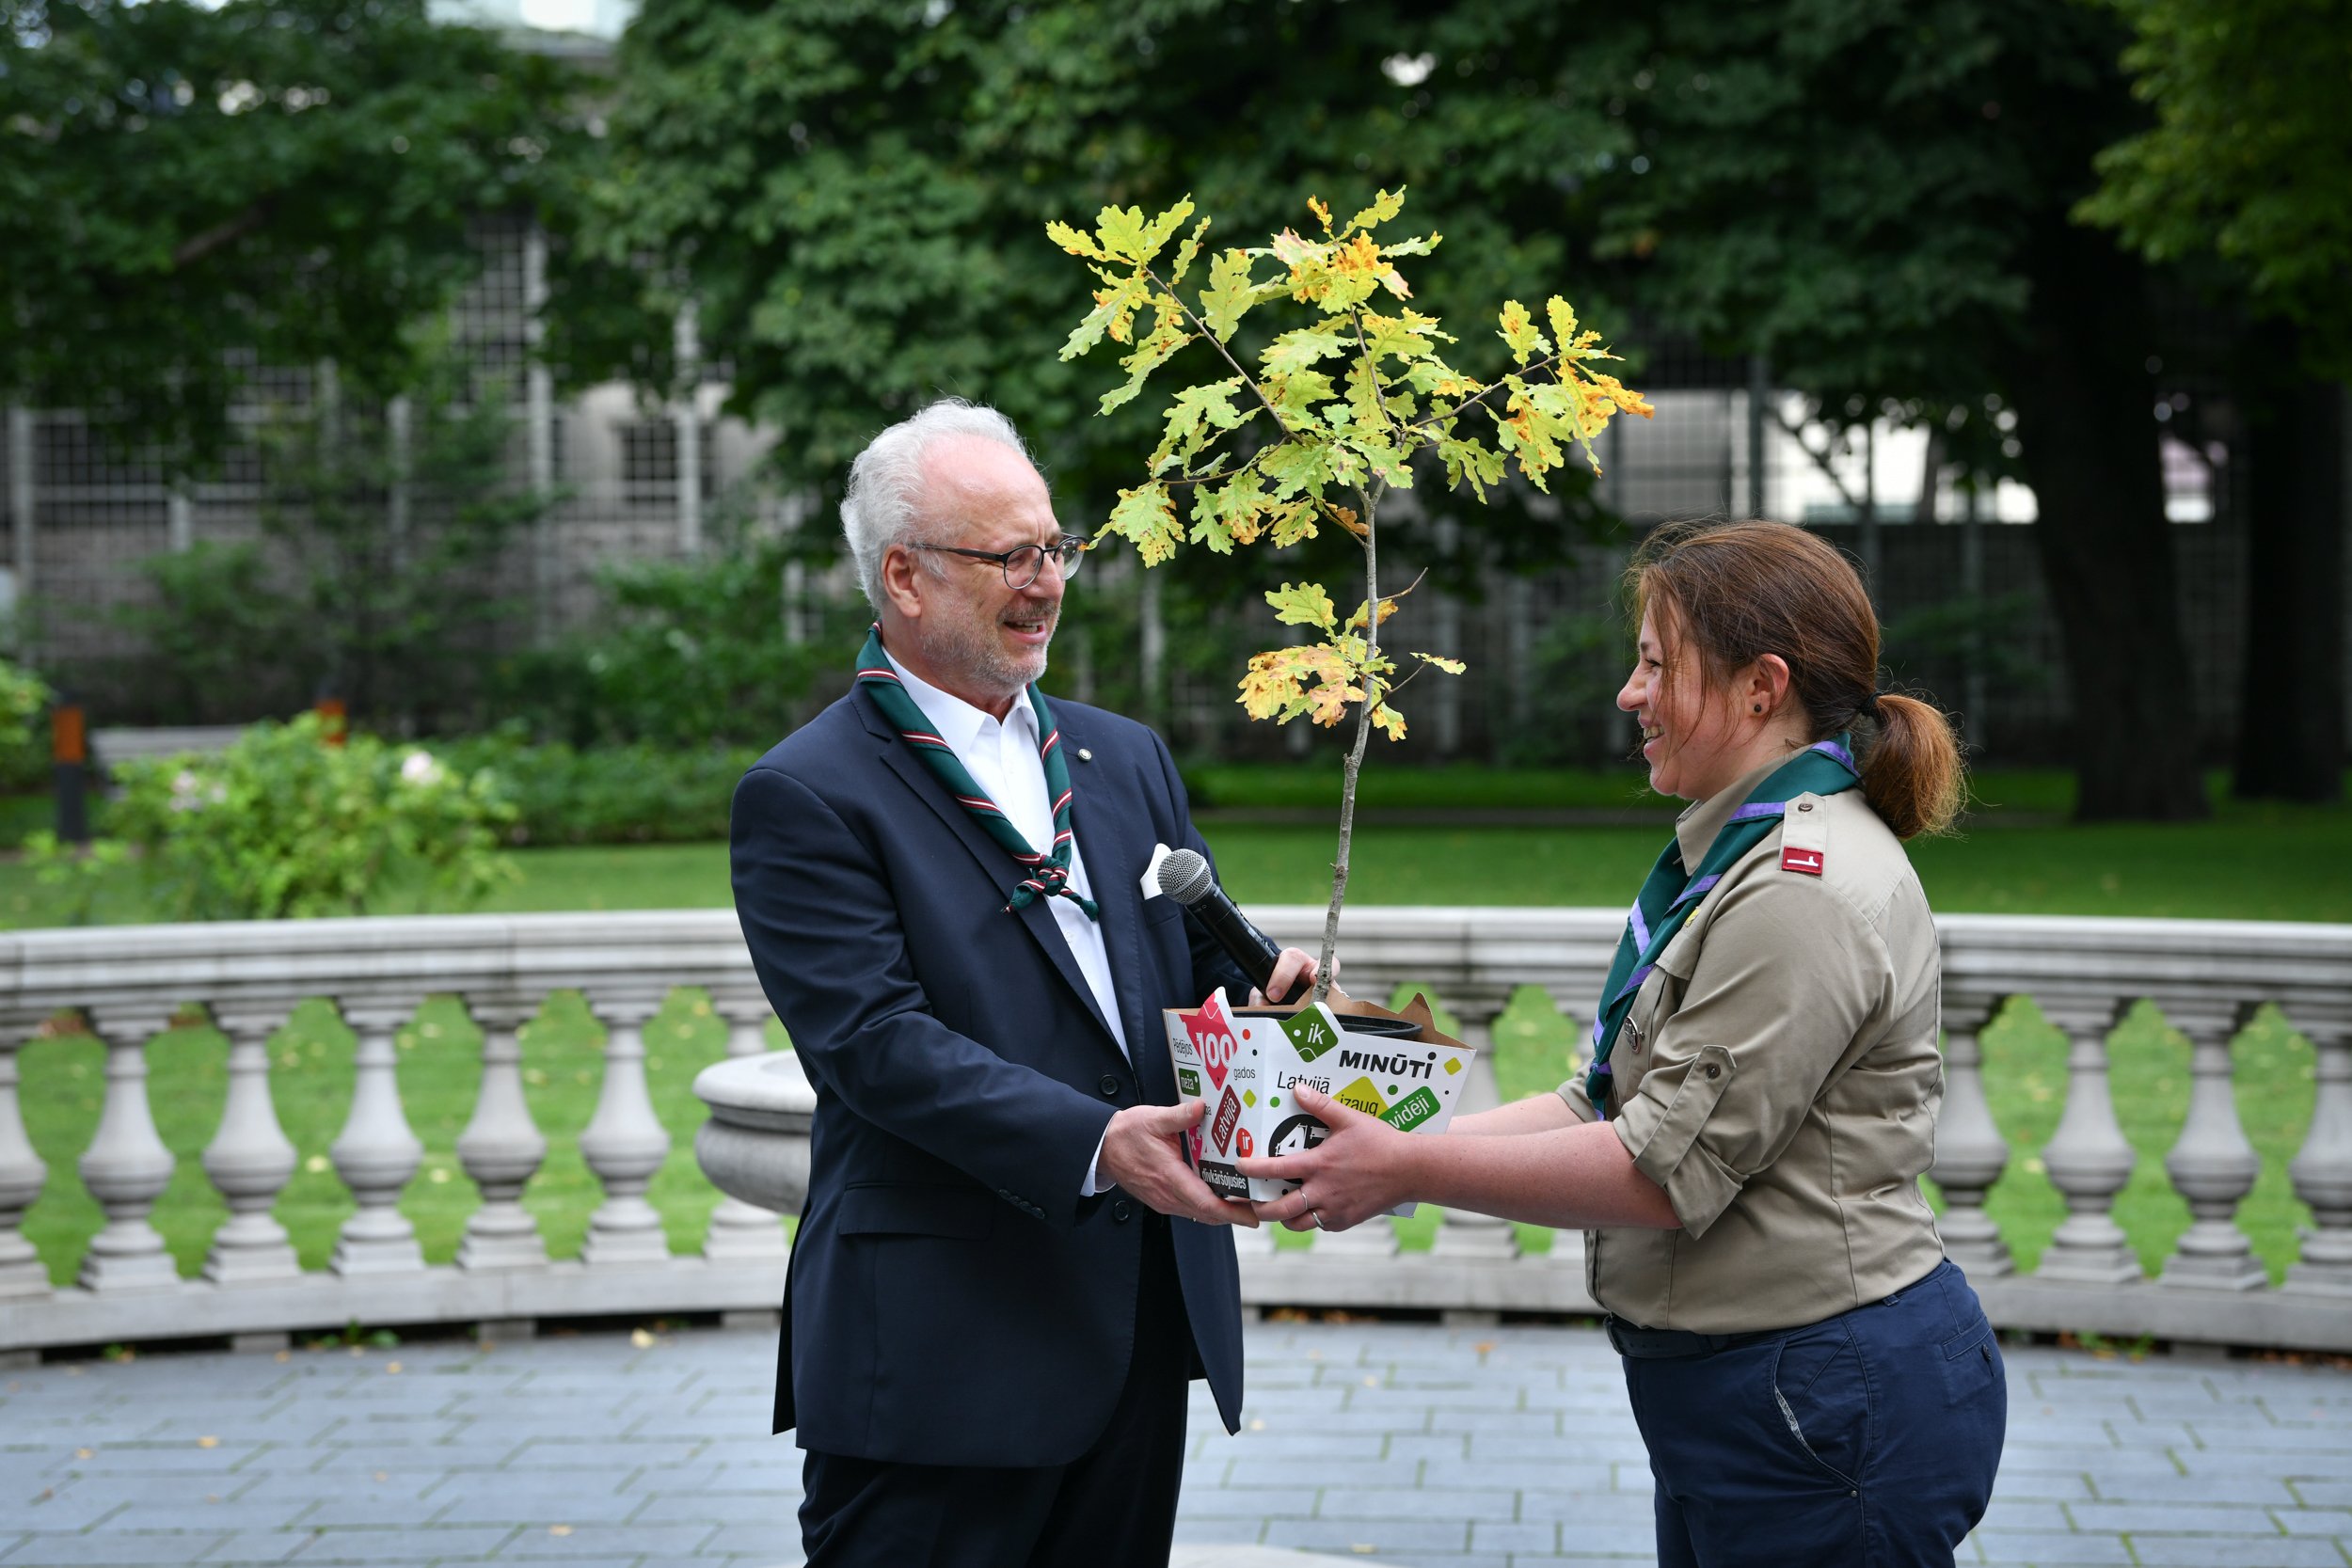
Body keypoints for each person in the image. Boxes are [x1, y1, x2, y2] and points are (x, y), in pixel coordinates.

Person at [1237, 518, 2008, 1567]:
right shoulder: (1741, 858)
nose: (1627, 692)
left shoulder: (1797, 890)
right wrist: (1372, 1124)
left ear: (1759, 687)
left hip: (1820, 1394)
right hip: (1763, 1387)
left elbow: (1659, 1169)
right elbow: (1601, 1105)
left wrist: (1404, 1164)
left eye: (1655, 663)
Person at [729, 398, 1318, 1568]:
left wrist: (1266, 997)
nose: (1046, 580)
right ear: (902, 575)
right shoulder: (806, 793)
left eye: (1054, 548)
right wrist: (1101, 1139)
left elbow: (1183, 960)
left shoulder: (1123, 753)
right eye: (1009, 555)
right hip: (942, 1350)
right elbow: (875, 1045)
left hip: (1138, 1322)